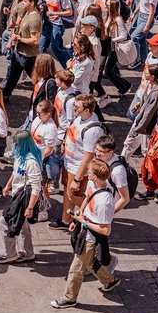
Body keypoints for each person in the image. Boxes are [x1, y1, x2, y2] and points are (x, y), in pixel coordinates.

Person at [50, 158, 121, 309]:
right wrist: (77, 218)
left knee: (76, 269)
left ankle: (69, 298)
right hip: (84, 227)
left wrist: (84, 222)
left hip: (90, 237)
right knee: (89, 262)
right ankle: (109, 280)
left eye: (89, 172)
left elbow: (105, 230)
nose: (86, 174)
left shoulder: (104, 201)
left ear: (96, 176)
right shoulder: (93, 184)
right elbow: (88, 198)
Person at [50, 94, 105, 230]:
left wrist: (78, 179)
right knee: (67, 193)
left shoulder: (92, 130)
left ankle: (95, 217)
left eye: (77, 107)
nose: (74, 108)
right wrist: (64, 143)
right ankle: (66, 219)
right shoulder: (80, 118)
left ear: (87, 110)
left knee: (73, 195)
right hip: (69, 163)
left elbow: (88, 157)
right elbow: (71, 132)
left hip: (77, 168)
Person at [0, 130, 43, 263]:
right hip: (17, 195)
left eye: (16, 143)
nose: (14, 146)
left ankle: (8, 254)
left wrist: (30, 208)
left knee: (4, 223)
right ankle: (27, 253)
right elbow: (16, 172)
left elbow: (36, 187)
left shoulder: (31, 162)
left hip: (23, 200)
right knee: (23, 225)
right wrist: (8, 186)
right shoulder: (20, 156)